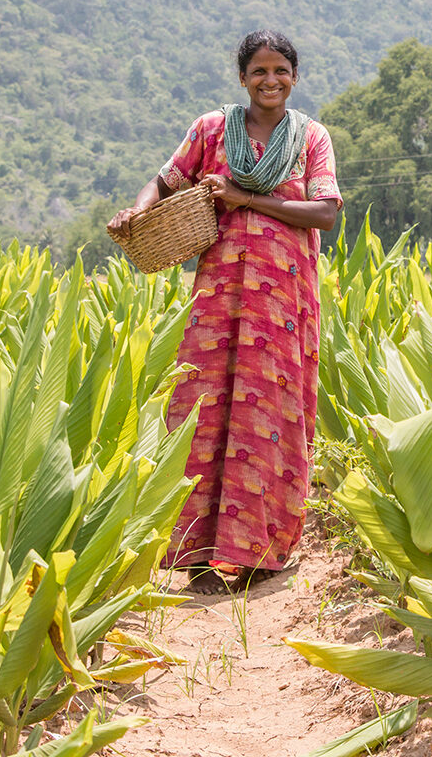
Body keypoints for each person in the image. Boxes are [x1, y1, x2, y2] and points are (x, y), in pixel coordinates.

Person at [108, 30, 342, 593]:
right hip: (220, 298)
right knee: (205, 407)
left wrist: (247, 199)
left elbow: (325, 213)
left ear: (294, 76)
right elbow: (165, 181)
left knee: (270, 415)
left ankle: (259, 552)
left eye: (281, 70)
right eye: (259, 71)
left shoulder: (311, 137)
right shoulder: (212, 130)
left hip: (283, 302)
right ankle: (196, 553)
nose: (270, 80)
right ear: (242, 78)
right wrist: (136, 214)